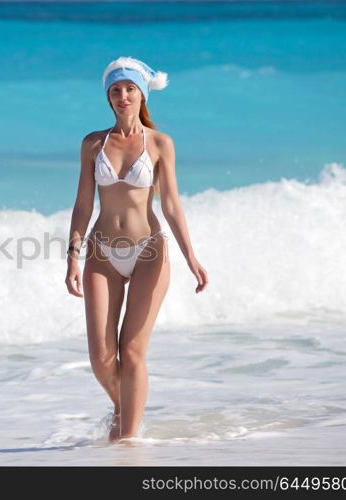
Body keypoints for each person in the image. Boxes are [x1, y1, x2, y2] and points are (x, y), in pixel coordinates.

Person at [64, 56, 209, 443]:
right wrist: (73, 255)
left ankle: (127, 442)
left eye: (129, 89)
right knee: (101, 359)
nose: (122, 96)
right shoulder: (93, 143)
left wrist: (192, 258)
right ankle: (123, 404)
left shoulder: (160, 143)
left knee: (131, 351)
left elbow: (172, 205)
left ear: (141, 94)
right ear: (108, 97)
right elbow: (82, 204)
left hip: (149, 253)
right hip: (101, 253)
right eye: (115, 90)